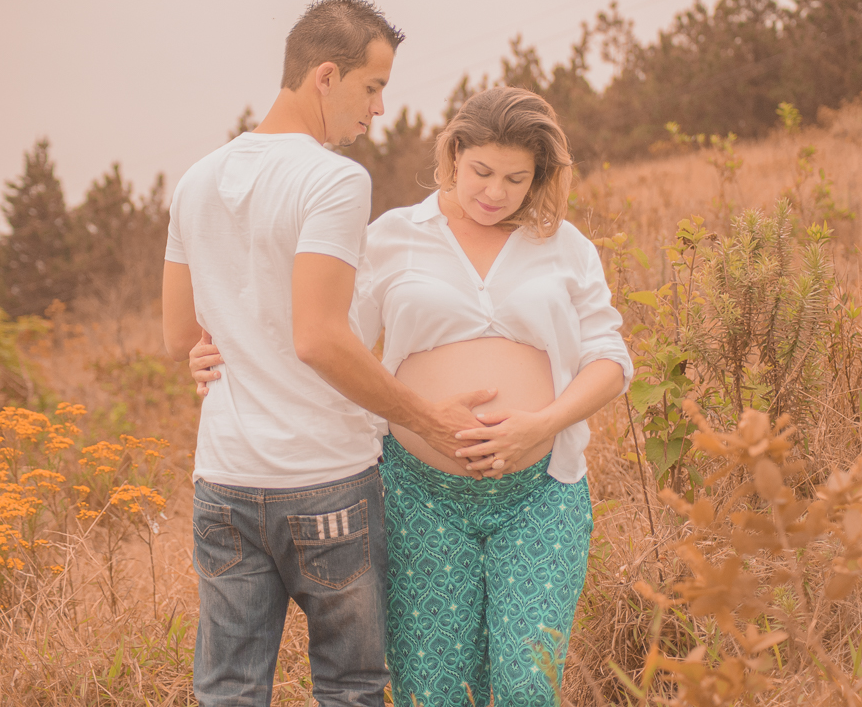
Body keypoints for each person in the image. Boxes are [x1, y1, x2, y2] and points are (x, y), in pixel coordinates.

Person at [191, 87, 633, 706]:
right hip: (419, 499)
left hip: (539, 495)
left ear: (539, 178)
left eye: (516, 178)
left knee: (527, 682)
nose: (495, 191)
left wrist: (542, 424)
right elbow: (325, 334)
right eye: (481, 170)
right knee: (432, 690)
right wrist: (218, 348)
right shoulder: (392, 236)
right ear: (452, 155)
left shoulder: (564, 245)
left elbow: (610, 359)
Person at [162, 0, 496, 707]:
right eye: (372, 87)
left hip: (222, 482)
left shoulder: (195, 181)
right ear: (324, 77)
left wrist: (215, 350)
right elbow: (320, 338)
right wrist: (430, 421)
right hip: (325, 484)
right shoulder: (333, 180)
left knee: (226, 690)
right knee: (349, 688)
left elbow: (175, 334)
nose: (377, 109)